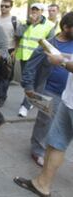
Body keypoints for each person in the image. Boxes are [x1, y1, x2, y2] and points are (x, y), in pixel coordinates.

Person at [14, 51, 73, 197]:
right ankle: (41, 184)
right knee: (55, 143)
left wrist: (61, 62)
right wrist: (64, 56)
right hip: (69, 100)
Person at [20, 12, 73, 166]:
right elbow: (30, 66)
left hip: (69, 93)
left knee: (61, 127)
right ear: (66, 27)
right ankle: (38, 150)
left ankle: (53, 149)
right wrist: (28, 87)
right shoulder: (49, 44)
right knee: (45, 122)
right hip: (51, 90)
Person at [16, 3, 55, 117]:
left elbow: (50, 43)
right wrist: (28, 23)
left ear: (41, 11)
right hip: (24, 56)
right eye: (32, 9)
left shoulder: (49, 25)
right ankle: (31, 100)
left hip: (38, 59)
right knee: (27, 81)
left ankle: (25, 106)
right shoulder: (25, 22)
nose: (34, 12)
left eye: (36, 10)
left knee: (32, 82)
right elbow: (18, 34)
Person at [0, 0, 21, 106]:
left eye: (6, 6)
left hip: (9, 51)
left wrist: (15, 50)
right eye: (2, 6)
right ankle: (0, 94)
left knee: (5, 76)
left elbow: (18, 37)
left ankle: (1, 97)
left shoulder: (14, 20)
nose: (3, 8)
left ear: (11, 7)